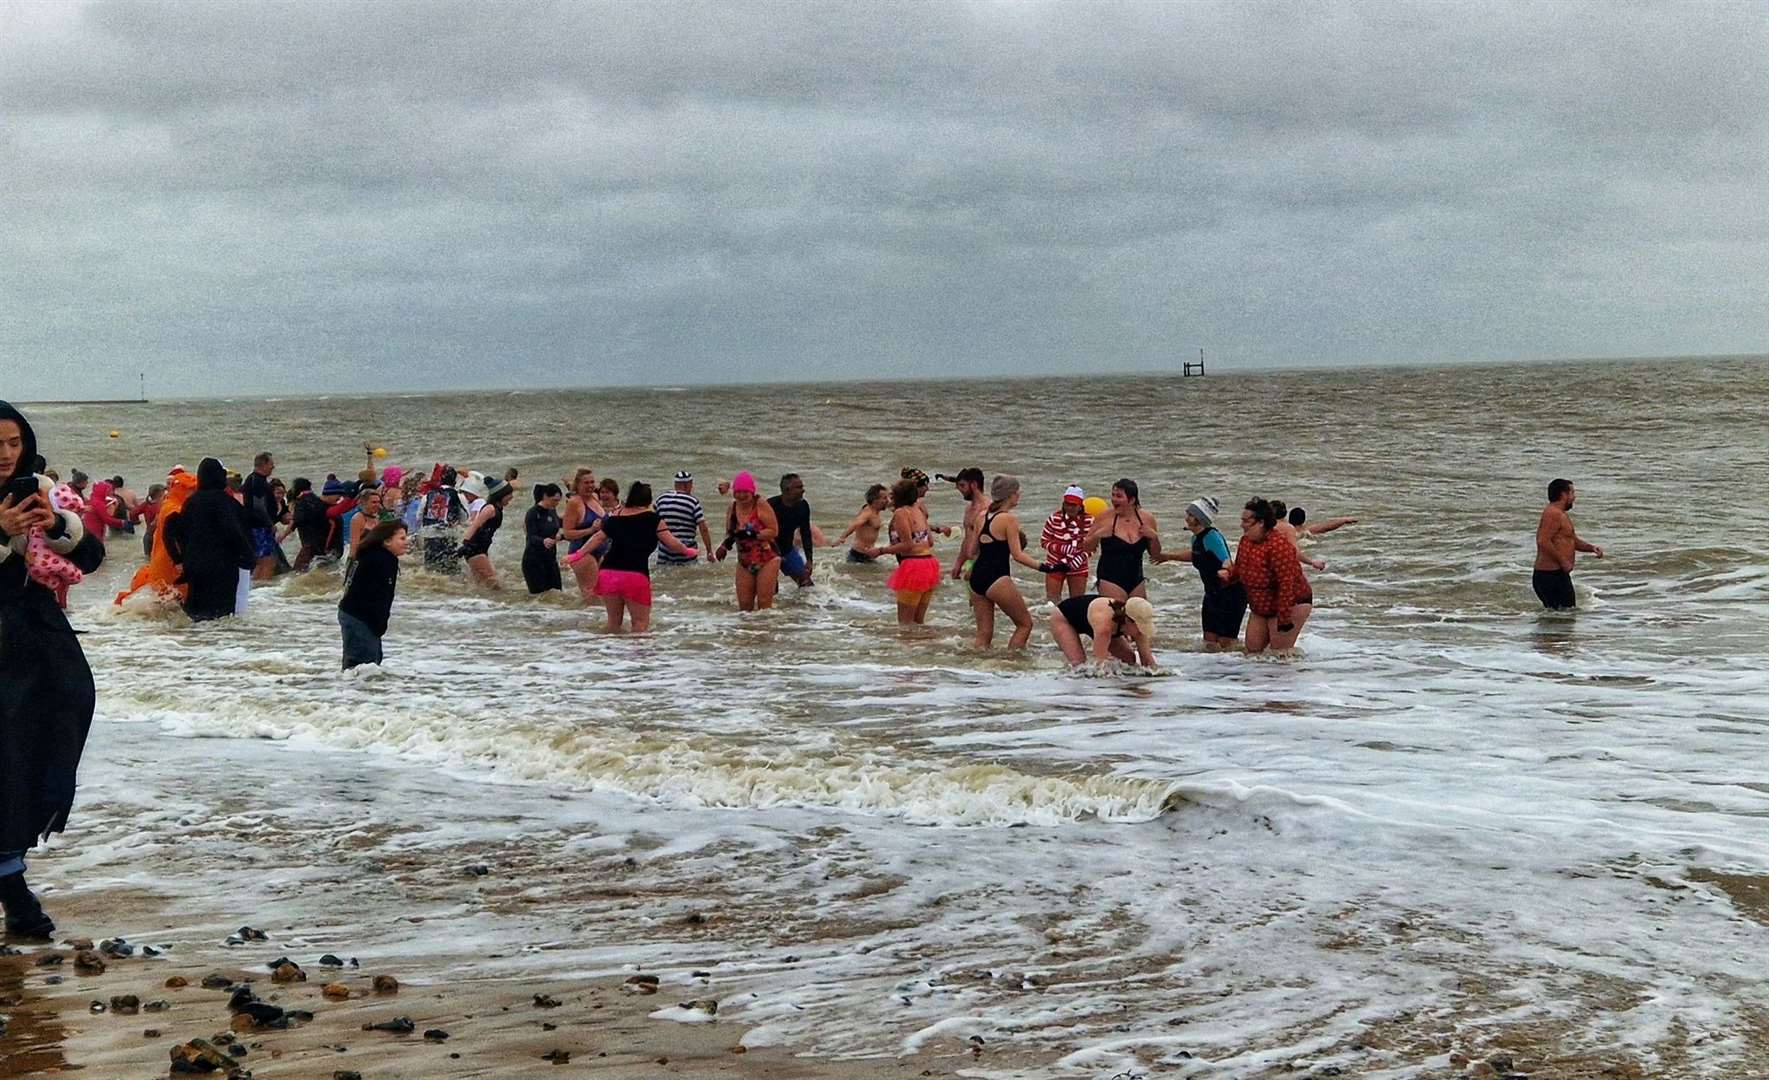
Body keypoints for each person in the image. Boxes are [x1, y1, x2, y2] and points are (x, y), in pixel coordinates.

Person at [0, 401, 104, 939]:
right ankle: (13, 887)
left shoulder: (39, 487)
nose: (6, 454)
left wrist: (59, 524)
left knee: (48, 739)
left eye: (14, 442)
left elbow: (90, 560)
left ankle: (12, 867)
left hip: (39, 644)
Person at [570, 481, 697, 632]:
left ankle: (606, 652)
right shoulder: (653, 519)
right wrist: (688, 551)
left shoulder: (615, 517)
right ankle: (637, 655)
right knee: (640, 624)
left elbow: (597, 538)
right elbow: (672, 543)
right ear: (648, 501)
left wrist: (578, 554)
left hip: (608, 574)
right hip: (635, 575)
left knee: (613, 623)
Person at [161, 458, 253, 622]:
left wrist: (178, 559)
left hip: (195, 568)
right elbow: (235, 530)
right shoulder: (225, 502)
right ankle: (216, 645)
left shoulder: (190, 503)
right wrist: (248, 556)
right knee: (222, 617)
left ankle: (195, 644)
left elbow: (171, 528)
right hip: (222, 568)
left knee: (197, 615)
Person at [1220, 498, 1313, 653]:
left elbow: (1286, 583)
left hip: (1291, 602)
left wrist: (1283, 619)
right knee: (1252, 650)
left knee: (1279, 655)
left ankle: (1296, 675)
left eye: (1246, 521)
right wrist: (1228, 576)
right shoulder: (1245, 541)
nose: (1241, 525)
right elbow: (1240, 569)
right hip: (1261, 605)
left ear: (1261, 522)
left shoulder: (1278, 545)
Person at [1155, 495, 1247, 649]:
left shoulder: (1212, 537)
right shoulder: (1196, 539)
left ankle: (1232, 670)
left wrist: (1224, 571)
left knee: (1226, 643)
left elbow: (1227, 562)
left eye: (1191, 515)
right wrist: (1168, 556)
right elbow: (1195, 555)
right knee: (1209, 642)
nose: (1187, 518)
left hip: (1230, 595)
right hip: (1212, 594)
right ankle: (1209, 670)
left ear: (1200, 518)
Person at [968, 475, 1046, 649]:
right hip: (997, 578)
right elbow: (1017, 555)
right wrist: (1044, 567)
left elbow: (971, 551)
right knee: (1025, 624)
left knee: (983, 633)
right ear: (1010, 494)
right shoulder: (1009, 519)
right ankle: (1010, 665)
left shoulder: (982, 516)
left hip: (976, 579)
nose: (1019, 494)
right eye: (1017, 491)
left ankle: (975, 671)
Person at [870, 478, 941, 625]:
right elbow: (930, 541)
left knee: (905, 623)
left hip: (913, 566)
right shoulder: (918, 510)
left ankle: (908, 648)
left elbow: (907, 544)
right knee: (918, 621)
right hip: (930, 564)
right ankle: (925, 647)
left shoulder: (901, 513)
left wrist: (881, 550)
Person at [338, 520, 407, 670]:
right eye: (402, 538)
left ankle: (347, 691)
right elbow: (380, 596)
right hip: (360, 617)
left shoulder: (370, 553)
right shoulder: (382, 559)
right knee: (363, 668)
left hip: (353, 614)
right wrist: (378, 625)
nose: (406, 542)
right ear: (387, 541)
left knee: (362, 666)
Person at [1082, 478, 1166, 601]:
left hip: (1136, 579)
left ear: (1132, 500)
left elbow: (1155, 554)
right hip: (1109, 578)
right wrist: (1097, 535)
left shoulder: (1147, 518)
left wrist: (1154, 537)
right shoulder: (1104, 517)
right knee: (1117, 616)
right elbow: (1086, 547)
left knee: (1138, 617)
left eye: (1119, 496)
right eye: (1113, 495)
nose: (1113, 499)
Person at [715, 471, 781, 611]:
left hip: (767, 558)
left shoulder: (761, 505)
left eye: (745, 492)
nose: (741, 495)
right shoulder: (732, 508)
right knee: (744, 606)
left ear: (752, 492)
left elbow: (773, 531)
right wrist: (724, 547)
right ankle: (747, 632)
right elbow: (731, 533)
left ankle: (766, 631)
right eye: (738, 491)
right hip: (744, 560)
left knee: (764, 604)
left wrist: (751, 534)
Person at [1534, 478, 1603, 611]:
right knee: (1564, 618)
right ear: (1563, 495)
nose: (1574, 497)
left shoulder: (1560, 514)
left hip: (1556, 575)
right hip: (1549, 575)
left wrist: (1591, 548)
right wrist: (1563, 561)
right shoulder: (1553, 513)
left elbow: (1572, 541)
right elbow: (1543, 540)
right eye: (1572, 493)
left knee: (1562, 620)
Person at [1049, 594, 1157, 668]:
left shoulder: (1137, 621)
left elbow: (1147, 661)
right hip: (1064, 618)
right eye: (1140, 626)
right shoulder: (1104, 626)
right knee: (1079, 663)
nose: (1141, 631)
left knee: (1129, 659)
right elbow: (1098, 664)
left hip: (1093, 618)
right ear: (1128, 620)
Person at [1038, 485, 1092, 601]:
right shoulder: (1054, 518)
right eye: (1067, 504)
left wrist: (1079, 559)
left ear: (1080, 506)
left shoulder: (1089, 521)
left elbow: (1092, 546)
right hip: (1055, 564)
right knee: (1052, 602)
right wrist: (1061, 548)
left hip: (1078, 566)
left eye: (1073, 505)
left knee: (1077, 603)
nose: (1070, 507)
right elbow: (1044, 541)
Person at [458, 480, 515, 587]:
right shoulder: (490, 508)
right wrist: (465, 544)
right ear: (500, 495)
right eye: (509, 494)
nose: (511, 497)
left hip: (482, 549)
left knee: (481, 585)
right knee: (493, 585)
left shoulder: (498, 509)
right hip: (474, 549)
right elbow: (475, 525)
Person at [560, 468, 605, 600]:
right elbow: (567, 533)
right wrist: (590, 530)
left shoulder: (596, 498)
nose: (590, 486)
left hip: (600, 550)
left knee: (604, 593)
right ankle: (587, 619)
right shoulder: (574, 503)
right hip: (582, 552)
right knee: (591, 594)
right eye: (586, 483)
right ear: (578, 485)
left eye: (592, 482)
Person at [655, 471, 713, 566]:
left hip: (665, 551)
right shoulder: (693, 502)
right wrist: (709, 551)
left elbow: (652, 522)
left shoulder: (661, 499)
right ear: (687, 485)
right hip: (687, 552)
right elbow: (703, 529)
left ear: (675, 484)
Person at [417, 466, 468, 571]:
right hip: (448, 538)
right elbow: (465, 518)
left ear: (440, 479)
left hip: (430, 538)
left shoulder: (428, 495)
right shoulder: (459, 496)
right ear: (455, 480)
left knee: (431, 570)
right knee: (450, 570)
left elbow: (419, 517)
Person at [769, 473, 815, 588]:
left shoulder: (803, 506)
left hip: (787, 550)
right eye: (799, 487)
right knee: (770, 589)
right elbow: (759, 532)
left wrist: (809, 560)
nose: (803, 490)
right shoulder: (770, 506)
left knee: (807, 585)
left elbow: (806, 533)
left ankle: (804, 606)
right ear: (787, 489)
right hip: (767, 551)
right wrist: (775, 554)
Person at [943, 467, 988, 581]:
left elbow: (988, 544)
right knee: (972, 599)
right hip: (970, 563)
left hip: (984, 565)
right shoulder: (969, 509)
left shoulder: (987, 509)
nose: (959, 489)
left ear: (973, 485)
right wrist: (959, 563)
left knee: (981, 599)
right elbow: (968, 538)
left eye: (962, 485)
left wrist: (974, 568)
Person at [241, 451, 281, 580]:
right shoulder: (257, 481)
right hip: (259, 527)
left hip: (256, 526)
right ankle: (262, 589)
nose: (273, 466)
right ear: (263, 464)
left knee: (261, 561)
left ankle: (256, 590)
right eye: (271, 464)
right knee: (267, 561)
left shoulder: (255, 480)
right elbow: (258, 506)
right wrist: (269, 524)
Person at [522, 483, 564, 594]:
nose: (557, 503)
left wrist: (561, 535)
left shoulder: (552, 511)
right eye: (554, 500)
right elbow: (531, 536)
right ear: (545, 496)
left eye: (558, 501)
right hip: (534, 561)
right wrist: (543, 540)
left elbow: (559, 525)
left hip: (550, 560)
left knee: (557, 594)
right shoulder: (533, 513)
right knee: (539, 597)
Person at [833, 484, 889, 564]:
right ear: (875, 500)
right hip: (858, 556)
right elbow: (855, 524)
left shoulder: (875, 511)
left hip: (867, 555)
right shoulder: (868, 512)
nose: (888, 500)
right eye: (884, 498)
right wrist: (842, 538)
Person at [134, 482, 165, 558]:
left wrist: (136, 521)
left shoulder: (146, 504)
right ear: (159, 494)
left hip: (147, 536)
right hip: (157, 537)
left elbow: (133, 513)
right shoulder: (161, 505)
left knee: (147, 561)